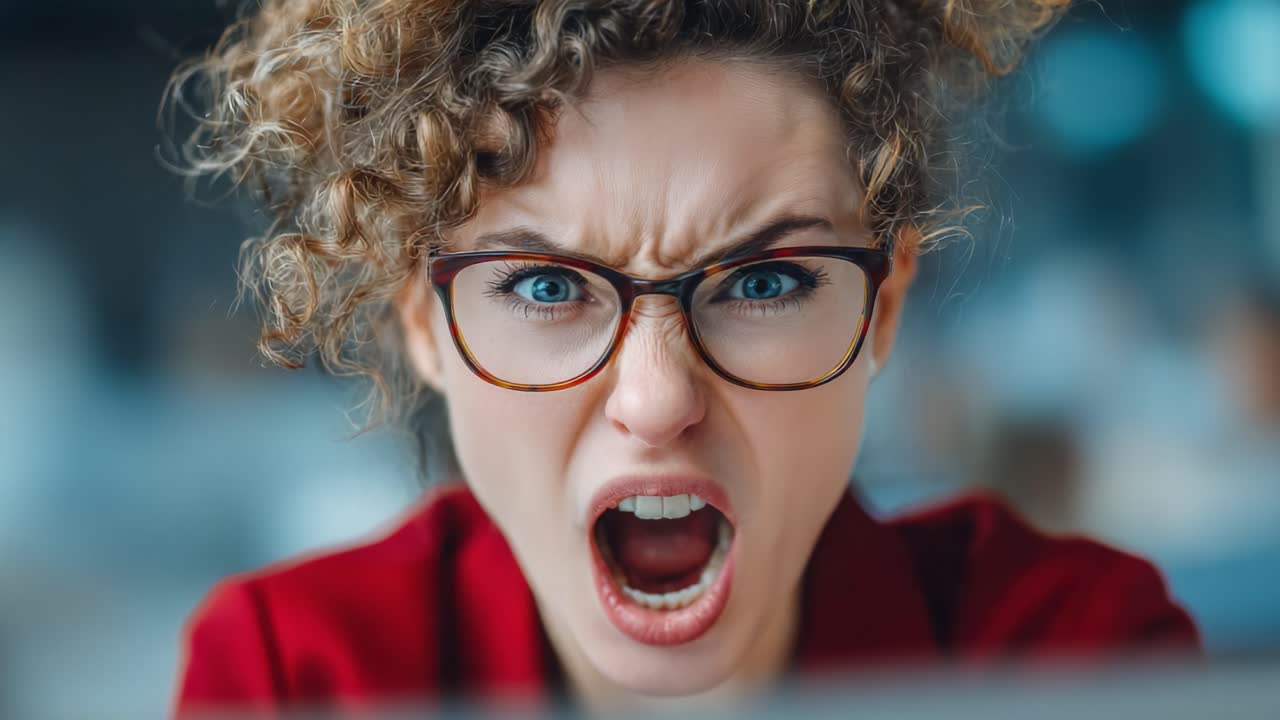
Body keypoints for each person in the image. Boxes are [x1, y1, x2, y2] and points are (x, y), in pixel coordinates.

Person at [167, 0, 1199, 716]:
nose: (658, 403)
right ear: (422, 324)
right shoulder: (294, 680)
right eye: (545, 287)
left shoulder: (1071, 659)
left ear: (881, 305)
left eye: (762, 283)